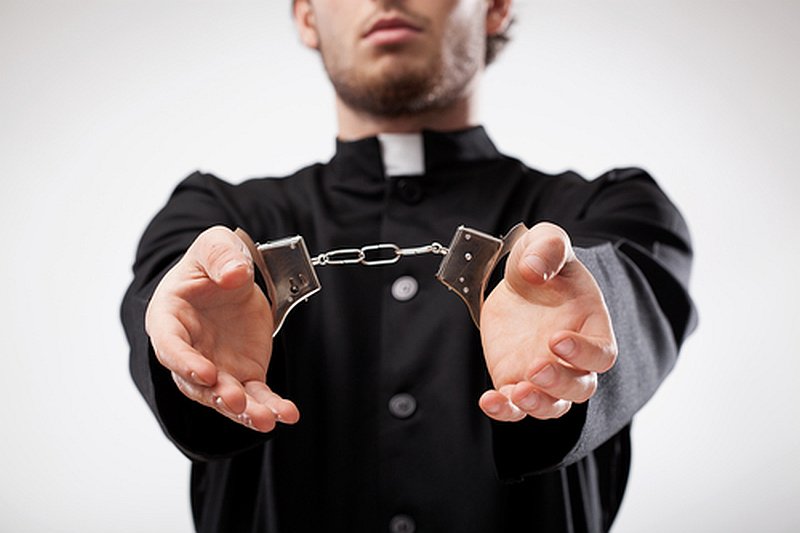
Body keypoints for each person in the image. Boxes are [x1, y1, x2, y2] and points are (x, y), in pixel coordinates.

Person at [121, 1, 697, 532]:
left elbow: (634, 291)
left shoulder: (613, 210)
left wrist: (575, 315)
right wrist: (185, 343)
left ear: (495, 8)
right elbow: (164, 290)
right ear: (306, 16)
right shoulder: (213, 215)